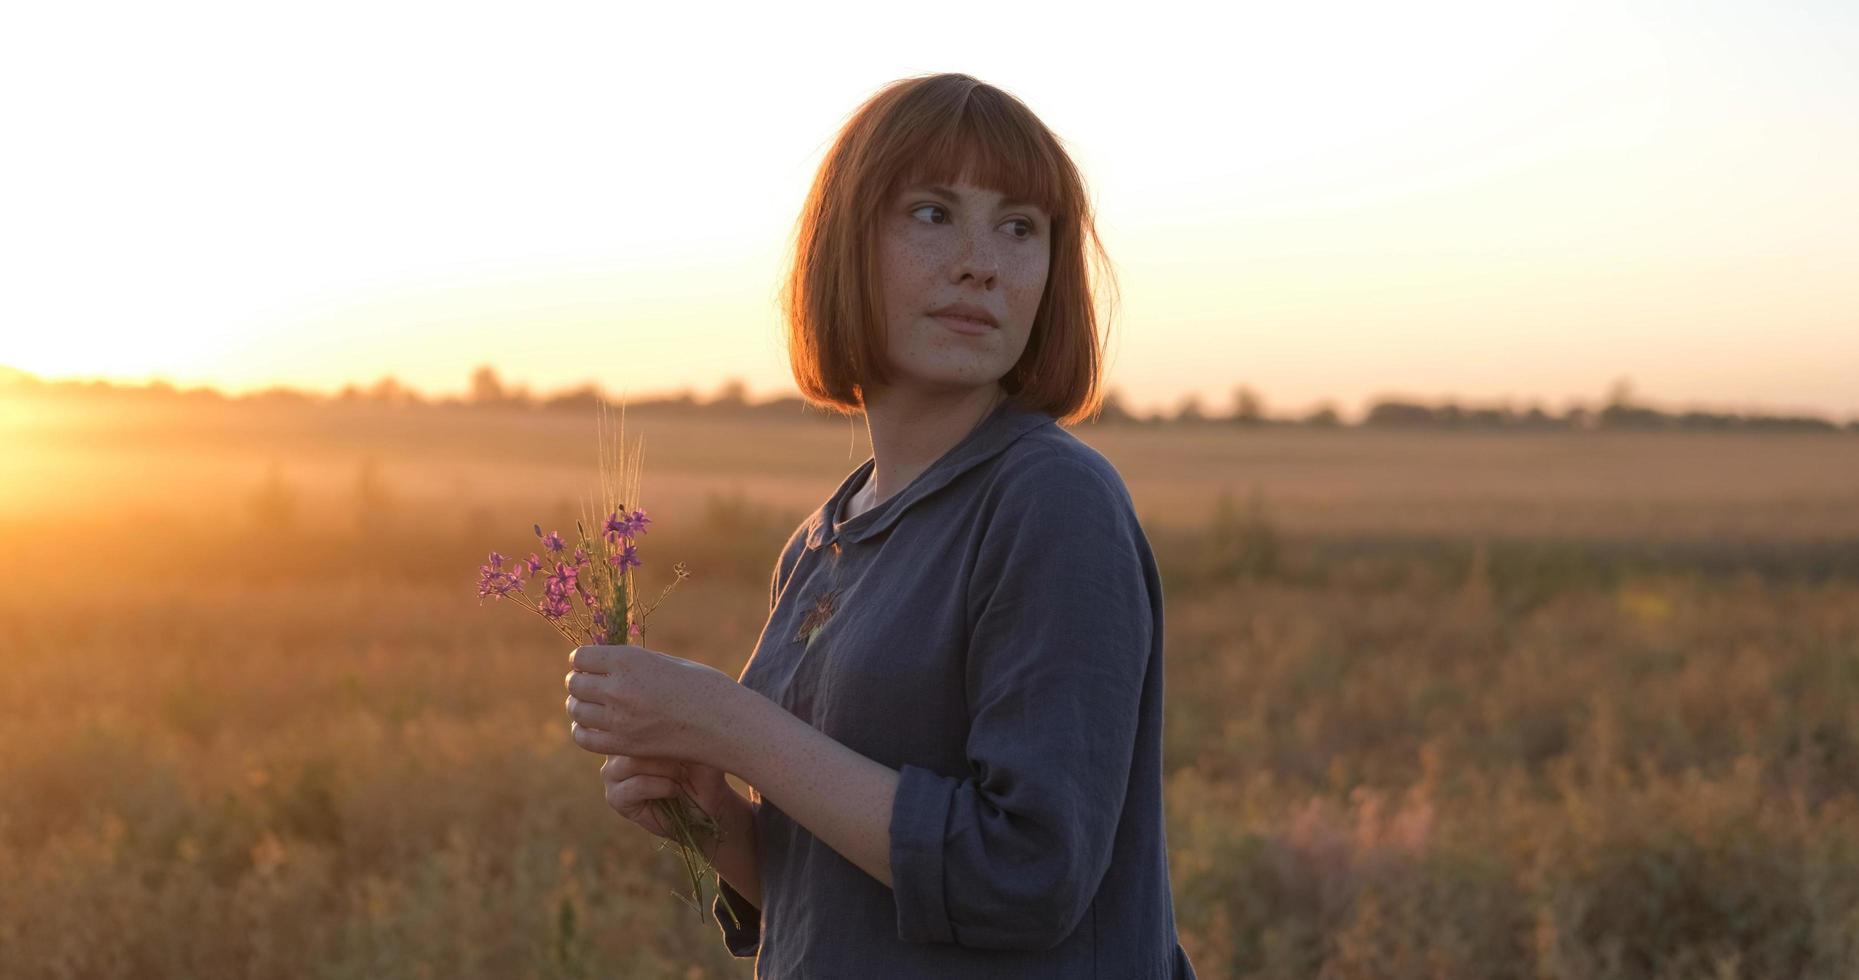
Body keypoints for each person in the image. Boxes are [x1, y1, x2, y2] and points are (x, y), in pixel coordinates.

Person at [563, 71, 1197, 978]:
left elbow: (1024, 879)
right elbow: (846, 904)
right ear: (842, 246)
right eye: (932, 214)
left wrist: (734, 727)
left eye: (1019, 227)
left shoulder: (1051, 502)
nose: (980, 260)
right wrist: (718, 819)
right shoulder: (824, 538)